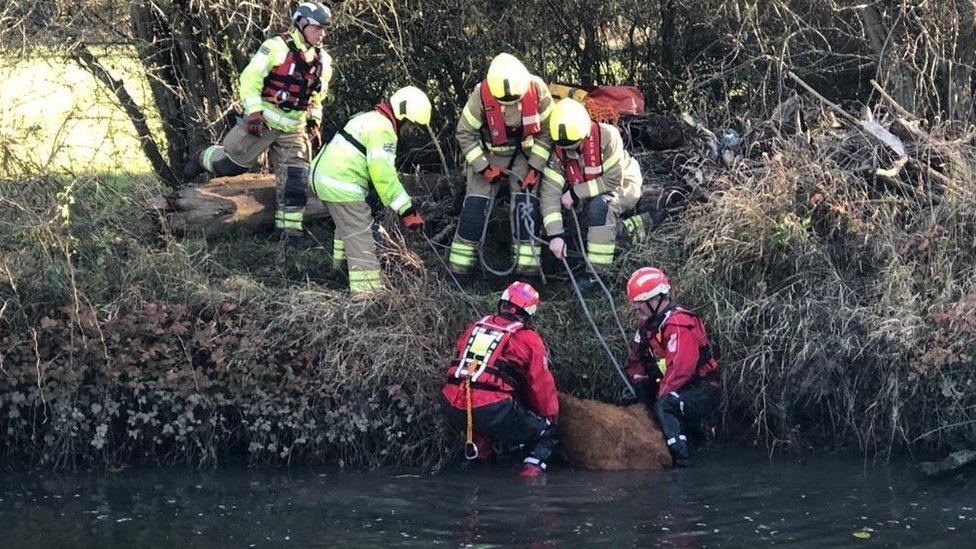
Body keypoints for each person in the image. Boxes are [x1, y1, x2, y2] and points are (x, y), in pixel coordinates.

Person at [183, 2, 333, 245]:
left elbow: (316, 97)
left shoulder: (323, 61)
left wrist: (315, 121)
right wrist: (253, 113)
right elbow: (250, 78)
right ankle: (203, 156)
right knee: (231, 166)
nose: (322, 34)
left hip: (294, 128)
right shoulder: (275, 47)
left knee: (295, 180)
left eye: (324, 29)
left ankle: (289, 233)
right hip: (263, 121)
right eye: (317, 28)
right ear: (302, 24)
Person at [309, 86, 431, 294]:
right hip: (341, 185)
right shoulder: (383, 130)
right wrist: (407, 211)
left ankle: (338, 270)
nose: (410, 130)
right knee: (362, 238)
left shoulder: (367, 117)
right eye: (410, 124)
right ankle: (367, 296)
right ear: (402, 115)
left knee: (346, 223)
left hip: (323, 178)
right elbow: (383, 176)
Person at [447, 53, 555, 280]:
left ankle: (528, 272)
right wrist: (484, 168)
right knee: (476, 206)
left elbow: (546, 132)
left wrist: (535, 168)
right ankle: (460, 271)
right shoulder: (481, 95)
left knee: (526, 207)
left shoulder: (538, 90)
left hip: (525, 157)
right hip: (490, 156)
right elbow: (464, 133)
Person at [441, 281, 559, 477]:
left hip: (452, 404)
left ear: (502, 303)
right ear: (529, 312)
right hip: (492, 408)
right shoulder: (529, 338)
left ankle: (479, 463)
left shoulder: (475, 326)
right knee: (547, 433)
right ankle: (530, 482)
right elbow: (541, 386)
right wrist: (549, 418)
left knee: (485, 433)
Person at [541, 98, 646, 292]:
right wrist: (555, 235)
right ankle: (623, 231)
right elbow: (549, 192)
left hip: (623, 184)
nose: (568, 151)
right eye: (564, 147)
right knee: (577, 219)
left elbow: (612, 181)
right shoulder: (559, 149)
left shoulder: (608, 137)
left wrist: (574, 193)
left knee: (601, 207)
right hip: (588, 190)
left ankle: (598, 276)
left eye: (574, 145)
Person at [625, 267, 720, 467]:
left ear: (655, 299)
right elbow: (636, 360)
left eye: (639, 302)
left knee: (665, 405)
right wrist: (640, 383)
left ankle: (680, 461)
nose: (635, 306)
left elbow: (680, 370)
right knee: (644, 396)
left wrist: (661, 398)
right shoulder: (647, 327)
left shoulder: (679, 324)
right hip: (674, 386)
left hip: (702, 388)